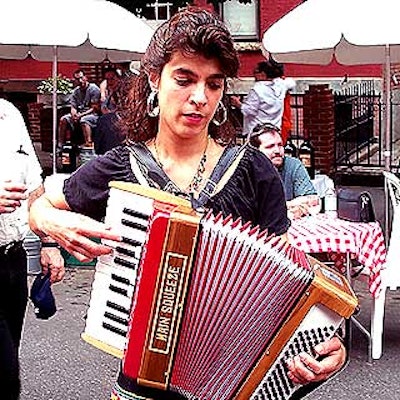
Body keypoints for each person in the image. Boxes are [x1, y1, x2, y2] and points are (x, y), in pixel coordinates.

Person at [29, 7, 345, 400]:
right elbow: (40, 203)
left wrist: (329, 349)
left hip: (232, 382)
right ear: (152, 81)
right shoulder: (121, 166)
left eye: (213, 85)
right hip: (142, 385)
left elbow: (289, 283)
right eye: (184, 79)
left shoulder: (253, 170)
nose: (200, 98)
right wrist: (48, 221)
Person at [0, 98, 65, 399]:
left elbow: (34, 185)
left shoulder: (8, 113)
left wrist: (48, 243)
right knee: (5, 373)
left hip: (12, 261)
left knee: (12, 349)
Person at [250, 123, 320, 220]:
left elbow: (313, 200)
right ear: (255, 151)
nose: (277, 151)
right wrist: (292, 205)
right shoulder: (247, 169)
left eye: (280, 145)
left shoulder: (293, 165)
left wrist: (285, 207)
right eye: (270, 146)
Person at [230, 59, 295, 139]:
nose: (253, 74)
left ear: (263, 74)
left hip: (258, 131)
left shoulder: (257, 90)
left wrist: (237, 103)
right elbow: (292, 83)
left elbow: (249, 111)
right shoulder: (281, 85)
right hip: (275, 129)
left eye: (256, 72)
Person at [58, 69, 100, 148]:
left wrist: (80, 115)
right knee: (64, 119)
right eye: (77, 79)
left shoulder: (94, 89)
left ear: (85, 77)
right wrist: (74, 114)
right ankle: (60, 145)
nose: (80, 81)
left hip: (92, 114)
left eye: (81, 78)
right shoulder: (76, 91)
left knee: (84, 120)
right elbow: (73, 106)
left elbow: (95, 108)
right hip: (79, 113)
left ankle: (88, 143)